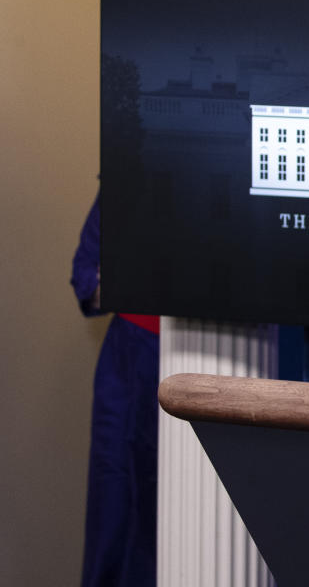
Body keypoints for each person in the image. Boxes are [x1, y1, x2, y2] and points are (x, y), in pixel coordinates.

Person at [72, 193, 159, 587]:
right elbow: (86, 278)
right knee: (118, 516)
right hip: (133, 361)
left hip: (222, 359)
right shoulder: (127, 172)